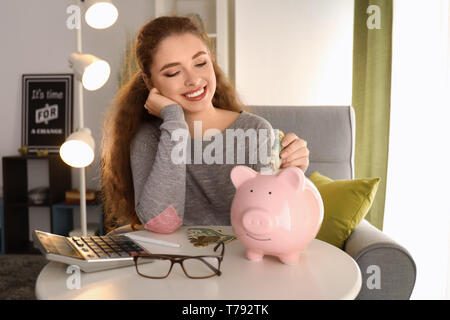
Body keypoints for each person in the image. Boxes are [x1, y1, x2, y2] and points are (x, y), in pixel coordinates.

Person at [101, 16, 310, 234]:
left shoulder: (255, 131)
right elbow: (161, 222)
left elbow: (276, 220)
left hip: (242, 259)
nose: (193, 79)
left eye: (200, 63)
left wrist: (291, 177)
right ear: (150, 82)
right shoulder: (148, 138)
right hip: (174, 263)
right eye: (173, 72)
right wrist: (174, 121)